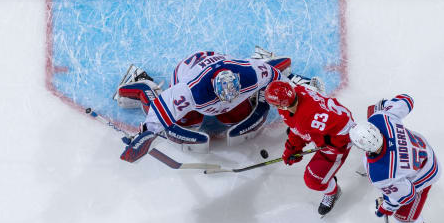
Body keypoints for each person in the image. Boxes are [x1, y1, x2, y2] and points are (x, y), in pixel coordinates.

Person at [117, 47, 321, 163]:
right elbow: (161, 111)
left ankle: (262, 57)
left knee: (233, 115)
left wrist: (300, 91)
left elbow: (275, 78)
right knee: (189, 120)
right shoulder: (191, 92)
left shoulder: (250, 74)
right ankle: (142, 86)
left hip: (229, 65)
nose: (229, 102)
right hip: (186, 71)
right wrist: (146, 134)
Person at [348, 94, 441, 223]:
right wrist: (387, 105)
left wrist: (386, 206)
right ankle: (392, 187)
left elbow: (407, 195)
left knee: (403, 217)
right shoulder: (381, 117)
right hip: (423, 148)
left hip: (427, 171)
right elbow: (407, 100)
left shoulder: (381, 175)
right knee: (374, 167)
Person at [264, 80, 354, 216]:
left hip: (336, 146)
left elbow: (347, 123)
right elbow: (296, 129)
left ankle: (333, 192)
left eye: (273, 103)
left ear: (281, 104)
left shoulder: (310, 116)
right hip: (321, 135)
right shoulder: (296, 94)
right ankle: (327, 177)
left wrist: (333, 143)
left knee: (313, 181)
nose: (272, 106)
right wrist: (292, 148)